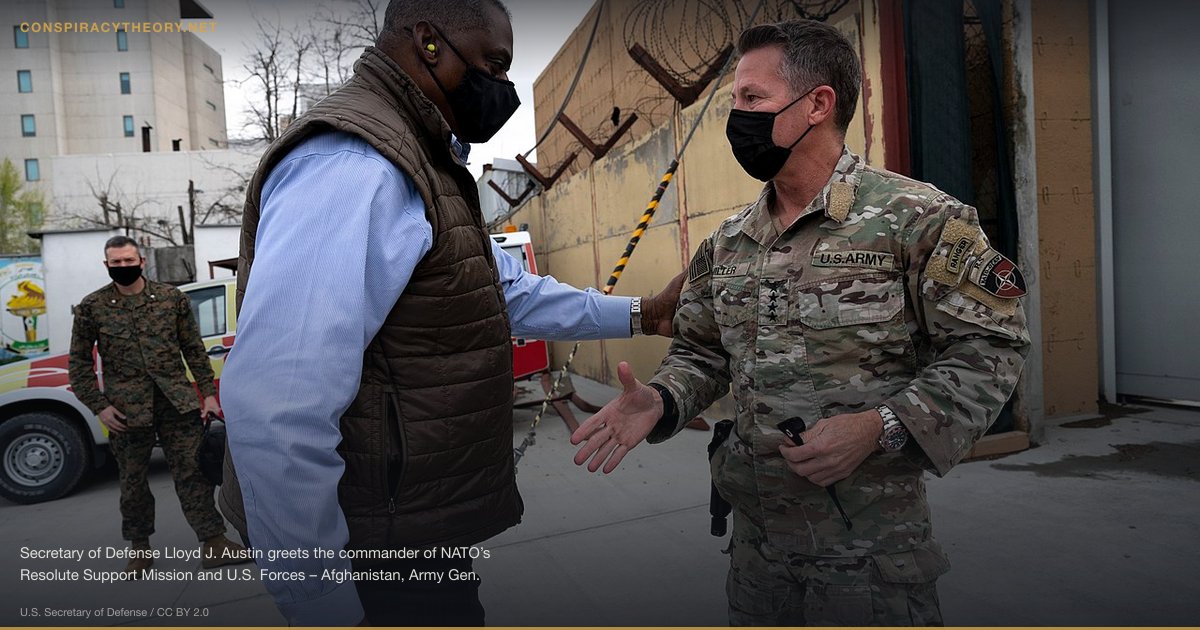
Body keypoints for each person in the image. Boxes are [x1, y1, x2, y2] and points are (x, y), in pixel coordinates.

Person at [217, 0, 682, 626]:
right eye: (493, 63)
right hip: (375, 553)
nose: (503, 88)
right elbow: (278, 405)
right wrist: (321, 604)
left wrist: (641, 314)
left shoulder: (419, 158)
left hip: (409, 528)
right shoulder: (355, 166)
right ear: (428, 42)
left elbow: (502, 289)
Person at [571, 19, 1031, 626]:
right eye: (734, 101)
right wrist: (661, 399)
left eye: (752, 100)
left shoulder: (916, 219)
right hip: (758, 557)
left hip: (870, 560)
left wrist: (879, 425)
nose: (736, 117)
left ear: (818, 104)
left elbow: (992, 346)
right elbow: (703, 353)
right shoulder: (728, 242)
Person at [67, 236, 250, 578]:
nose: (124, 267)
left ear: (142, 261)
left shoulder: (171, 299)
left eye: (128, 260)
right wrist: (100, 407)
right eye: (116, 263)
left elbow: (193, 349)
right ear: (106, 266)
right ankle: (139, 550)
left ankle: (214, 542)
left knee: (193, 475)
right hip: (126, 411)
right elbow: (78, 366)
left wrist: (208, 395)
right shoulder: (93, 307)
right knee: (133, 482)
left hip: (176, 403)